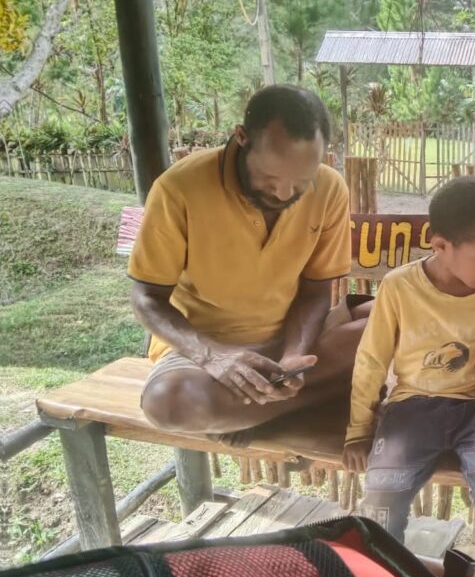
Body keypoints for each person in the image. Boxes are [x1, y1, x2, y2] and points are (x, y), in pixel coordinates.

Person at [130, 85, 369, 443]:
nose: (284, 194)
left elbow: (316, 291)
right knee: (169, 403)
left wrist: (294, 357)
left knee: (397, 320)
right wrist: (212, 356)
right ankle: (317, 396)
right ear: (241, 138)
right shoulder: (179, 188)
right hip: (206, 355)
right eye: (270, 178)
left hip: (293, 341)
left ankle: (257, 412)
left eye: (301, 182)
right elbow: (146, 297)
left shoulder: (330, 189)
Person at [342, 176, 475, 565]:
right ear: (440, 245)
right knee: (381, 499)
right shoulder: (399, 287)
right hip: (413, 407)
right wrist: (359, 430)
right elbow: (372, 360)